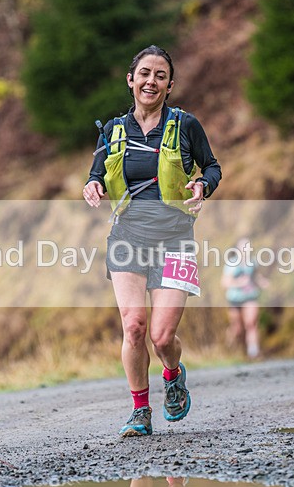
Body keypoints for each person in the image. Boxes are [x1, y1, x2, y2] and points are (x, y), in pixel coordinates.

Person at [83, 45, 221, 437]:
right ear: (131, 80)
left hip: (175, 238)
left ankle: (173, 375)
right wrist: (92, 186)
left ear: (169, 85)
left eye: (160, 76)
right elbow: (95, 174)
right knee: (135, 327)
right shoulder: (113, 130)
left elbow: (212, 166)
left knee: (162, 337)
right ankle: (140, 411)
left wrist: (202, 185)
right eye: (144, 73)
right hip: (127, 237)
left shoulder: (186, 125)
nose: (151, 81)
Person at [221, 238, 268, 359]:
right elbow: (224, 283)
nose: (246, 250)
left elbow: (256, 277)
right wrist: (238, 283)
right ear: (238, 249)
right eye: (243, 247)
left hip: (250, 297)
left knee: (251, 323)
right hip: (235, 299)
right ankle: (231, 350)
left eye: (248, 247)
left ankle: (253, 352)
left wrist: (262, 282)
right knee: (237, 329)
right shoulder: (231, 263)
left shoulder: (252, 262)